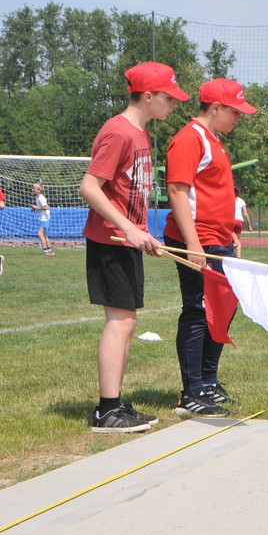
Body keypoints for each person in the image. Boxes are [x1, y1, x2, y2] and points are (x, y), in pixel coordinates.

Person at [79, 61, 189, 433]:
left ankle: (115, 403)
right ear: (147, 96)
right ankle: (107, 410)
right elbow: (89, 186)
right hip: (109, 239)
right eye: (168, 97)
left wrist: (144, 234)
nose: (174, 103)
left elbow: (130, 194)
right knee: (120, 321)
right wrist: (128, 228)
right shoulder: (118, 132)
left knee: (128, 321)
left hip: (126, 237)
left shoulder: (140, 134)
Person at [163, 78, 258, 418]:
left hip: (217, 239)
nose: (239, 118)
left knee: (222, 310)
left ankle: (208, 381)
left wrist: (232, 229)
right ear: (215, 108)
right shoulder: (189, 139)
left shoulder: (214, 140)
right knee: (199, 311)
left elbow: (219, 192)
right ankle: (191, 391)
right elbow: (176, 191)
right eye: (235, 112)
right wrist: (192, 243)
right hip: (198, 242)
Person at [31, 182, 55, 255]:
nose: (33, 189)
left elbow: (47, 207)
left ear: (39, 190)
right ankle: (49, 250)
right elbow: (41, 208)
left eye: (34, 188)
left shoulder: (41, 198)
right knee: (44, 234)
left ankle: (45, 251)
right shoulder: (37, 197)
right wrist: (35, 209)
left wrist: (37, 207)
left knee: (40, 233)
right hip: (43, 218)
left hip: (45, 218)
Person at [233, 184, 253, 258]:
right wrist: (249, 225)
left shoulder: (227, 199)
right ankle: (238, 257)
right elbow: (245, 214)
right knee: (237, 241)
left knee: (227, 240)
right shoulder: (241, 201)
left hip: (230, 221)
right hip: (239, 222)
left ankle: (228, 254)